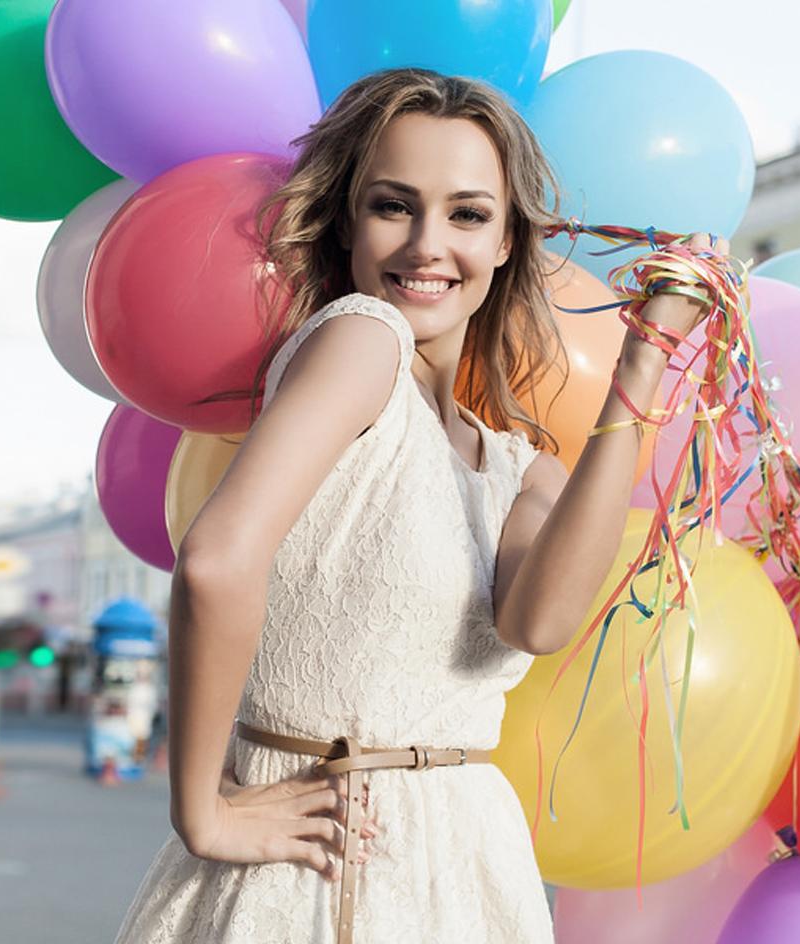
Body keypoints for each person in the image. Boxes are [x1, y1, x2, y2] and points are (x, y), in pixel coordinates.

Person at [112, 67, 725, 943]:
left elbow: (541, 622)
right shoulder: (364, 338)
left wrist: (645, 357)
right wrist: (202, 808)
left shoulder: (517, 467)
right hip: (324, 857)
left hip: (467, 866)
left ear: (508, 240)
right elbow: (215, 560)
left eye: (467, 214)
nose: (427, 245)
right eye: (393, 206)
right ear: (347, 222)